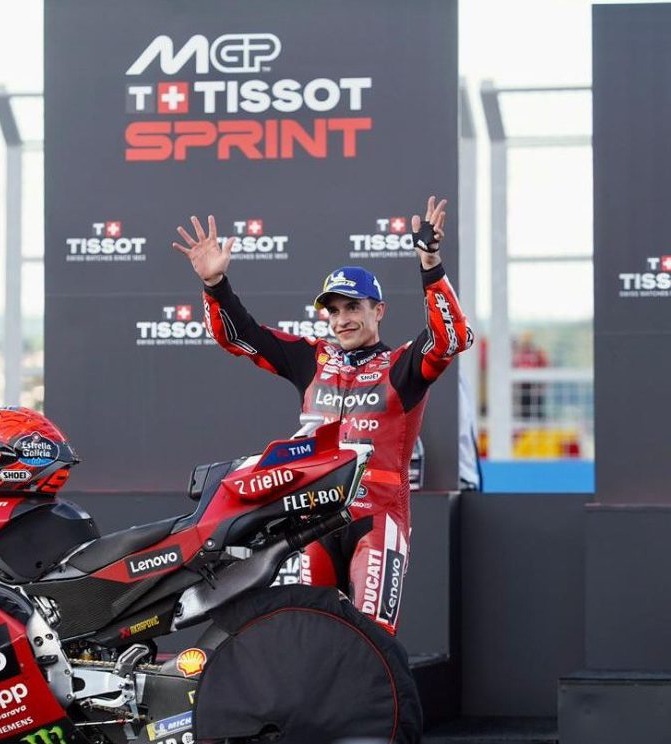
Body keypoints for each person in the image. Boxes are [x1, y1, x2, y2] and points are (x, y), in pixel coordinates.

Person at [172, 196, 472, 635]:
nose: (341, 319)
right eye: (333, 310)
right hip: (313, 520)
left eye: (353, 307)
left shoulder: (401, 367)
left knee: (371, 637)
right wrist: (215, 284)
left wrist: (430, 264)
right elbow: (239, 336)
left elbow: (451, 338)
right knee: (310, 635)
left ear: (378, 310)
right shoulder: (312, 359)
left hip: (377, 518)